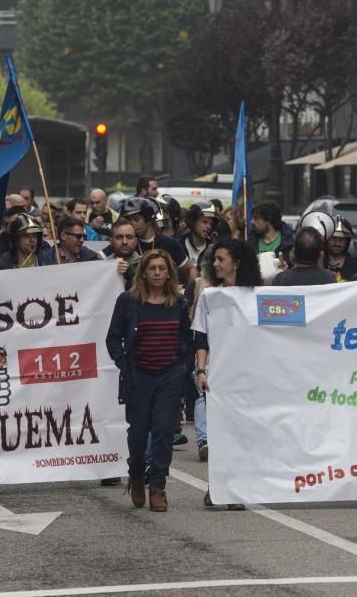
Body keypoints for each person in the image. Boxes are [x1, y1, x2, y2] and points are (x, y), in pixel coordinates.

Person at [106, 250, 193, 512]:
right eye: (152, 268)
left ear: (169, 273)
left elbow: (186, 338)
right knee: (138, 432)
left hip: (169, 376)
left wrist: (183, 368)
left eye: (162, 268)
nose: (157, 273)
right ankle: (135, 475)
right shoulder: (128, 301)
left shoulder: (178, 302)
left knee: (164, 432)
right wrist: (125, 363)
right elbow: (113, 338)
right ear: (143, 272)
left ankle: (158, 486)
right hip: (139, 376)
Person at [192, 239, 261, 510]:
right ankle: (226, 488)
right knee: (222, 434)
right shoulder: (210, 297)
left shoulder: (258, 297)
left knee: (244, 434)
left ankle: (227, 487)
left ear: (237, 263)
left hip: (250, 377)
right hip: (218, 377)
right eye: (215, 259)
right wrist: (200, 370)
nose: (216, 264)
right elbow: (200, 336)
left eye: (221, 259)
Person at [121, 197, 193, 281]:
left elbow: (190, 269)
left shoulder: (170, 243)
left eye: (136, 219)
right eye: (129, 221)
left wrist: (188, 290)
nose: (132, 224)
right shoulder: (125, 244)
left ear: (148, 219)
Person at [248, 200, 294, 267]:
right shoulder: (251, 241)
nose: (252, 222)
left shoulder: (289, 243)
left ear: (268, 220)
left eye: (256, 218)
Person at [103, 219, 141, 289]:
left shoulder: (146, 265)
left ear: (135, 241)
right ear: (111, 241)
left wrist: (130, 275)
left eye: (129, 237)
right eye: (119, 237)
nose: (124, 242)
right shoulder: (102, 267)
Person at [324, 217, 357, 282]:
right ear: (327, 239)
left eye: (341, 239)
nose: (337, 243)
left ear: (347, 241)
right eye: (334, 238)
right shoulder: (316, 264)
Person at [182, 202, 220, 269]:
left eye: (211, 224)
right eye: (204, 222)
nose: (208, 227)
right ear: (193, 222)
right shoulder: (178, 245)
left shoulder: (213, 250)